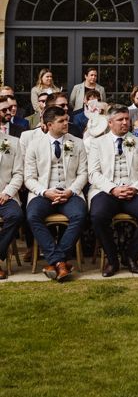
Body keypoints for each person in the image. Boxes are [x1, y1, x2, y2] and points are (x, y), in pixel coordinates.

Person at [87, 104, 138, 276]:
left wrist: (134, 188)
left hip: (134, 190)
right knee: (97, 215)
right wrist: (113, 189)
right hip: (106, 191)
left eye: (127, 119)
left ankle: (131, 256)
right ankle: (112, 260)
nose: (125, 122)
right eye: (120, 119)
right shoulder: (97, 143)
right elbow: (93, 173)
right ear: (110, 122)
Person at [23, 104, 88, 282]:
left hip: (70, 192)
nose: (66, 123)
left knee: (80, 214)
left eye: (66, 119)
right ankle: (61, 262)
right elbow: (29, 177)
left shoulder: (78, 143)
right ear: (49, 125)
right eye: (61, 121)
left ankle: (55, 261)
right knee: (32, 216)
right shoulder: (34, 146)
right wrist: (45, 192)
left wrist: (70, 191)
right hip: (43, 193)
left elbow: (83, 173)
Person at [0, 115, 25, 279]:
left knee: (16, 216)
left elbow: (18, 173)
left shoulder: (12, 142)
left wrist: (7, 192)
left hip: (6, 195)